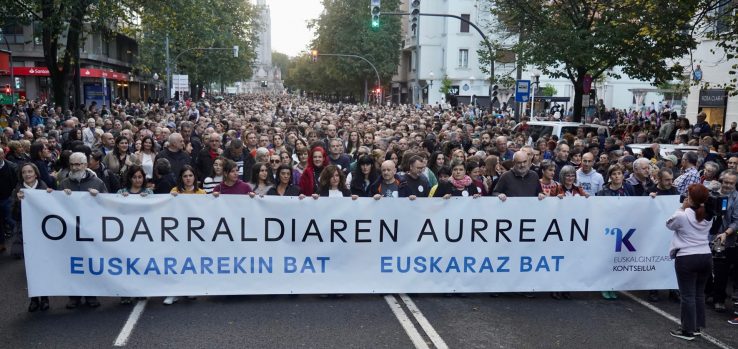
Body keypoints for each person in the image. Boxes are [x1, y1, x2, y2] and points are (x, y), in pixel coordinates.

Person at [59, 152, 107, 309]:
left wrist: (98, 196)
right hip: (71, 232)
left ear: (86, 165)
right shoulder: (64, 183)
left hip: (90, 231)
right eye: (72, 164)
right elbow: (54, 205)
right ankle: (74, 297)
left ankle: (91, 295)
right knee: (73, 265)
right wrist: (61, 196)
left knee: (90, 263)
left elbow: (108, 204)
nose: (75, 167)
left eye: (78, 164)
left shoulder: (98, 182)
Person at [666, 184, 713, 340]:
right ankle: (697, 327)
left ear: (691, 198)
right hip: (705, 256)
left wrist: (682, 207)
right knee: (699, 294)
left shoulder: (682, 215)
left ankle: (687, 331)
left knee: (687, 295)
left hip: (687, 257)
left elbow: (669, 224)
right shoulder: (709, 215)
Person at [13, 163, 52, 311]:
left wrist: (51, 196)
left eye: (30, 171)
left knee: (44, 266)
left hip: (44, 235)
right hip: (28, 236)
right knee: (31, 267)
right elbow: (14, 216)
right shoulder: (17, 191)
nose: (27, 174)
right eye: (24, 172)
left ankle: (45, 297)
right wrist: (18, 202)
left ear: (36, 174)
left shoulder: (44, 188)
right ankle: (34, 299)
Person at [165, 165, 204, 305]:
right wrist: (171, 198)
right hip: (177, 233)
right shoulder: (175, 191)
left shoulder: (201, 193)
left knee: (191, 262)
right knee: (176, 262)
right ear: (181, 178)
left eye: (190, 175)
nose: (188, 178)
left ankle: (189, 289)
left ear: (195, 177)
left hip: (194, 234)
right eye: (185, 176)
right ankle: (173, 292)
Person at [710, 170, 738, 314]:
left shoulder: (736, 198)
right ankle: (709, 293)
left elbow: (736, 220)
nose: (727, 185)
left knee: (722, 270)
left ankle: (719, 300)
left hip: (727, 240)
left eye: (731, 183)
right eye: (726, 182)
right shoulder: (712, 193)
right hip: (708, 236)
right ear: (721, 180)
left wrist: (726, 233)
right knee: (708, 267)